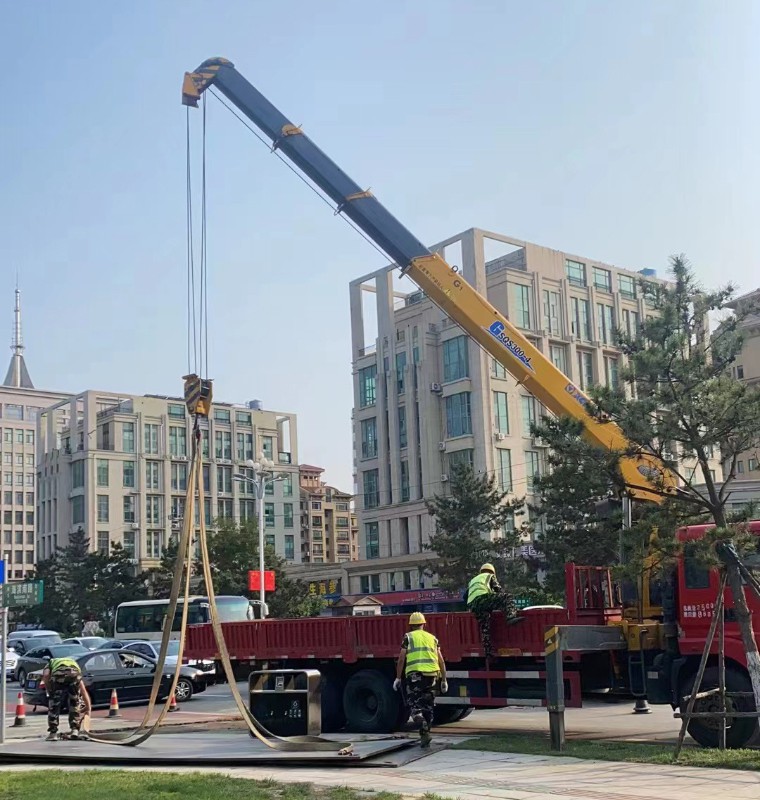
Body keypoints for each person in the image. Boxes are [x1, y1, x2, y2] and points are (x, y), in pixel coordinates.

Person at [393, 612, 447, 748]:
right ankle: (426, 735)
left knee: (414, 706)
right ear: (423, 624)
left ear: (411, 625)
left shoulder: (408, 637)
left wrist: (398, 678)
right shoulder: (433, 638)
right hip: (432, 675)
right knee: (428, 706)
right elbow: (441, 660)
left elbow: (401, 659)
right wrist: (444, 679)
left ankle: (421, 723)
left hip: (415, 675)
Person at [466, 563, 516, 659]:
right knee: (507, 597)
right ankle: (511, 616)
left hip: (473, 604)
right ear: (492, 571)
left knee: (485, 627)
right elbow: (498, 590)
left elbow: (465, 596)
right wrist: (501, 601)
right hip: (482, 599)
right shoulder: (490, 576)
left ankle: (488, 652)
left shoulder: (472, 580)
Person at [42, 655, 91, 741]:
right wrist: (88, 707)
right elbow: (83, 690)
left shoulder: (51, 663)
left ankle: (53, 733)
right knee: (74, 701)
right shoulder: (73, 664)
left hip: (59, 674)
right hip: (74, 674)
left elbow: (46, 675)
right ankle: (74, 730)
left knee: (54, 705)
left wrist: (50, 691)